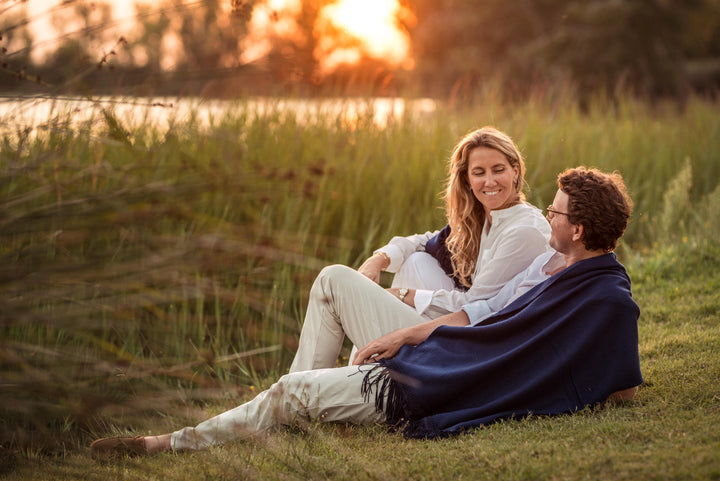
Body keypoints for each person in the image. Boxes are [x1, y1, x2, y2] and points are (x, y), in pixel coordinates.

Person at [90, 167, 642, 458]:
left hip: (441, 383)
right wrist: (408, 335)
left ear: (581, 227)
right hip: (444, 354)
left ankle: (168, 444)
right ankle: (290, 414)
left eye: (557, 211)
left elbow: (617, 388)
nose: (549, 215)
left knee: (293, 391)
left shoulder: (605, 298)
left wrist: (524, 381)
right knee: (309, 366)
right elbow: (484, 311)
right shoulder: (549, 263)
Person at [292, 126, 551, 371]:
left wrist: (403, 293)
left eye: (498, 170)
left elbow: (474, 309)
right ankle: (358, 370)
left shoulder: (524, 231)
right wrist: (379, 259)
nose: (490, 181)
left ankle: (314, 380)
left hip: (479, 346)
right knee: (417, 260)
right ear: (468, 180)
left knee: (332, 280)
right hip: (464, 330)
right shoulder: (486, 220)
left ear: (515, 171)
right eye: (479, 172)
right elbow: (424, 240)